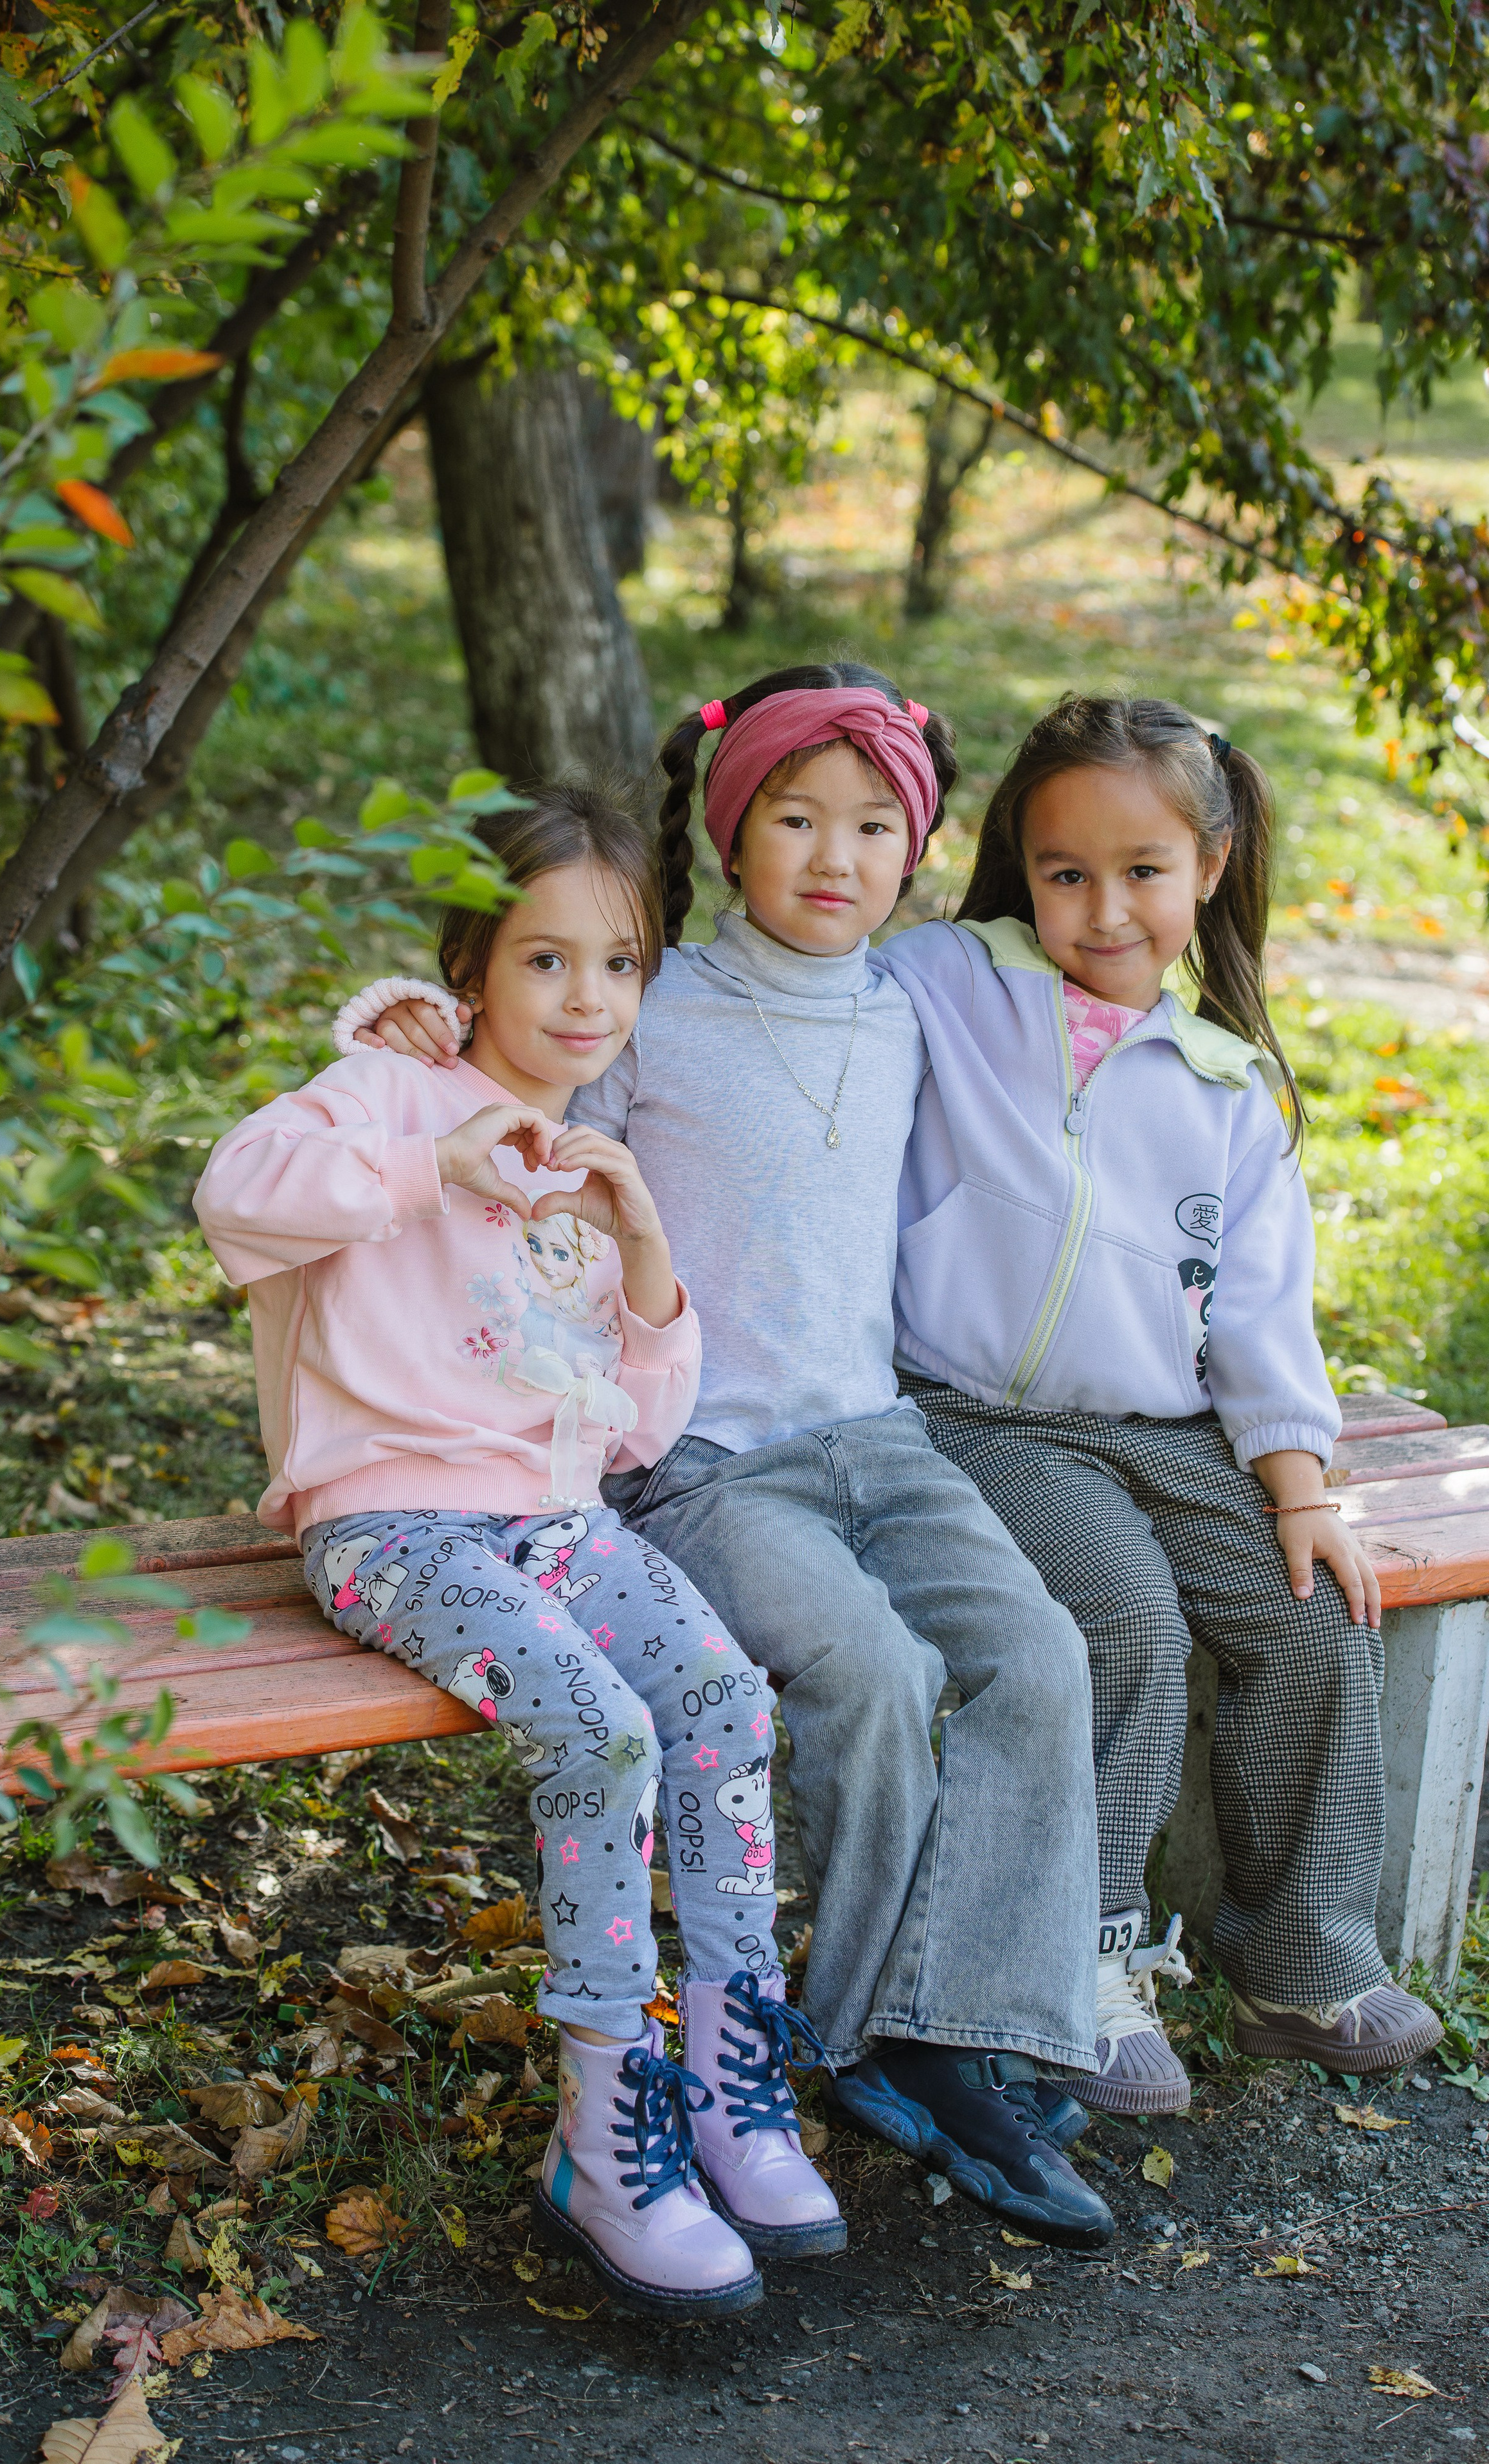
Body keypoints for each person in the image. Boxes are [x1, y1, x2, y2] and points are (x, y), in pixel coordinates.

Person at [335, 667, 1115, 2253]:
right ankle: (850, 2042)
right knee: (875, 1677)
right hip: (698, 1463)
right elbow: (510, 1081)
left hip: (879, 1437)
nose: (832, 855)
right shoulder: (653, 1001)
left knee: (1036, 1652)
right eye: (792, 819)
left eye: (870, 825)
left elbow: (1095, 972)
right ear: (728, 830)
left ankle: (964, 2028)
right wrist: (401, 1031)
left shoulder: (917, 1000)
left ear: (917, 848)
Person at [194, 786, 843, 2323]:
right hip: (388, 1528)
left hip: (555, 1520)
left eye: (619, 965)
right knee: (597, 1722)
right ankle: (599, 2127)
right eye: (545, 962)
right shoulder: (379, 1092)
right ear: (473, 964)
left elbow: (631, 1431)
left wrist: (639, 1248)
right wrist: (433, 1159)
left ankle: (723, 2083)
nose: (586, 1000)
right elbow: (234, 1196)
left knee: (720, 1700)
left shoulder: (584, 1152)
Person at [882, 695, 1441, 2112]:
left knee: (1310, 1610)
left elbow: (1260, 1315)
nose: (1103, 908)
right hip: (971, 1417)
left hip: (1163, 1426)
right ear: (1020, 862)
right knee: (1116, 1611)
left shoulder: (1226, 1087)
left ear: (1206, 863)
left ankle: (1299, 1960)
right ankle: (1078, 1960)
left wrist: (1298, 1489)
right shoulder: (947, 980)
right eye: (1065, 872)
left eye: (1141, 870)